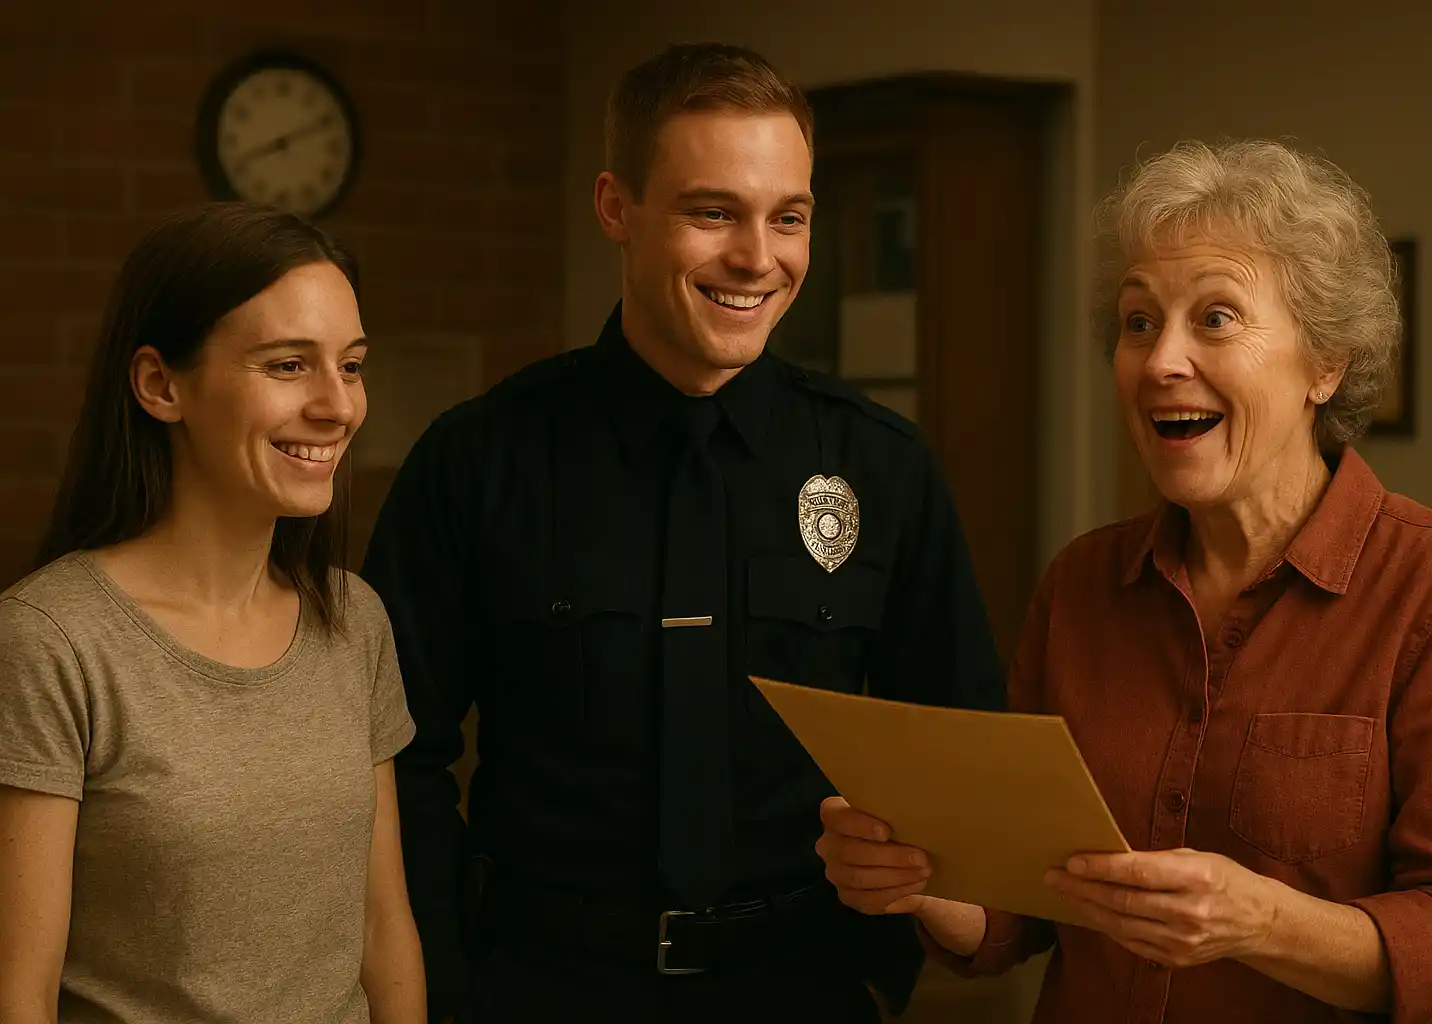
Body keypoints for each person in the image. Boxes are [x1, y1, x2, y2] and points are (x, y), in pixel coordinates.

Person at [359, 41, 1005, 1024]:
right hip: (543, 988)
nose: (758, 256)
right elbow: (390, 755)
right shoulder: (479, 461)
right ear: (617, 208)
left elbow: (959, 746)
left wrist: (881, 965)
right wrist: (446, 986)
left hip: (804, 987)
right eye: (713, 211)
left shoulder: (884, 467)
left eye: (788, 218)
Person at [816, 138, 1432, 1023]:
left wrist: (1259, 921)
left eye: (1217, 318)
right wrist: (919, 878)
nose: (1160, 363)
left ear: (1327, 364)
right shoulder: (1082, 582)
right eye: (1139, 321)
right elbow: (1019, 917)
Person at [0, 203, 427, 1024]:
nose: (338, 406)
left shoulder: (353, 620)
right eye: (288, 366)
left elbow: (383, 931)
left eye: (352, 365)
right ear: (162, 385)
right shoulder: (52, 642)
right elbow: (21, 992)